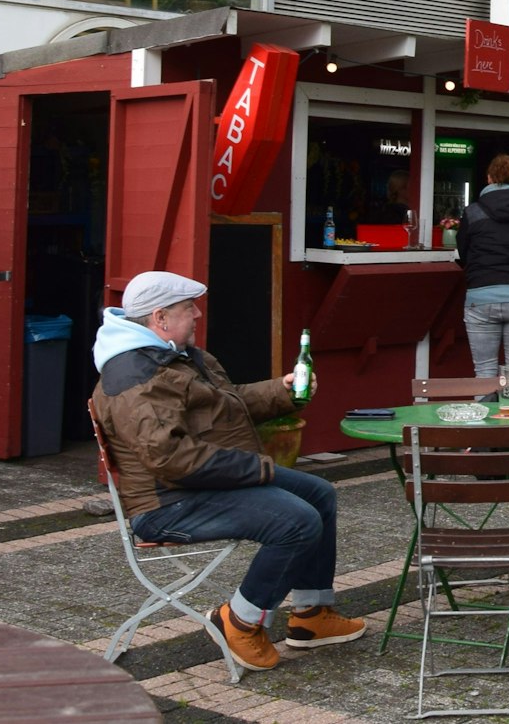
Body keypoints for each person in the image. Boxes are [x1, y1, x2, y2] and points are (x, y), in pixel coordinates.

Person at [92, 272, 366, 672]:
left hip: (199, 482)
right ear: (160, 318)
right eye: (189, 308)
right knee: (296, 521)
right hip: (167, 502)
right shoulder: (136, 377)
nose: (198, 314)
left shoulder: (175, 355)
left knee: (318, 494)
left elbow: (226, 403)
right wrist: (254, 469)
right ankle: (239, 621)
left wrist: (282, 391)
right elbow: (169, 458)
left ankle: (312, 615)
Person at [458, 154, 509, 388]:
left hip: (481, 296)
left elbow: (463, 252)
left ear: (489, 178)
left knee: (484, 373)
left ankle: (487, 425)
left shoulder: (472, 212)